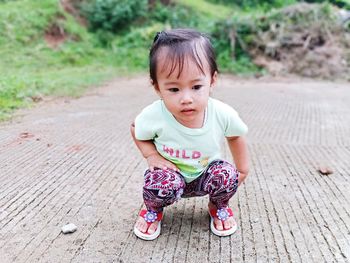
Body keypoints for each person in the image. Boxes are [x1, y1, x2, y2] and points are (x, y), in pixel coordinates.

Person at [131, 28, 249, 241]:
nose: (186, 98)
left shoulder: (222, 113)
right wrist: (151, 156)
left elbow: (236, 135)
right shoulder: (155, 114)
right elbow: (136, 130)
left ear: (212, 81)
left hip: (206, 176)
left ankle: (218, 205)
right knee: (158, 183)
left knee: (226, 174)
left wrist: (242, 169)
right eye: (174, 90)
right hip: (171, 175)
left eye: (196, 86)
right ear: (157, 87)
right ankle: (153, 209)